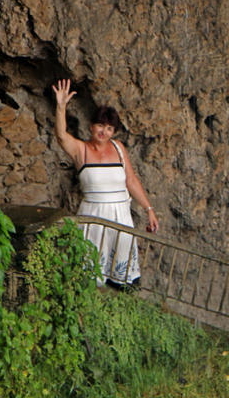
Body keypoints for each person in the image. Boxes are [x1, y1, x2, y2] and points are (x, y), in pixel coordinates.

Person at [52, 78, 159, 286]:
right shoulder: (80, 150)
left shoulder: (118, 148)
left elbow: (131, 180)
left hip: (120, 215)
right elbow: (61, 136)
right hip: (93, 216)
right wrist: (61, 106)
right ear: (91, 127)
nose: (104, 131)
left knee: (122, 278)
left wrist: (149, 209)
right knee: (90, 275)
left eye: (109, 128)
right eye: (100, 125)